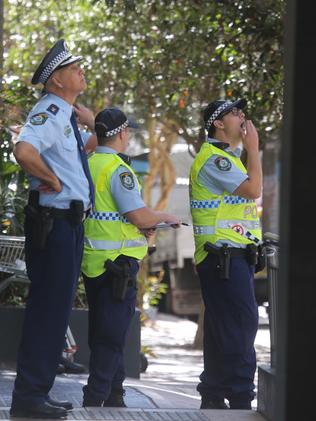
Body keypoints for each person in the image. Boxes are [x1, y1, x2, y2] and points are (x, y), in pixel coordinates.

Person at [10, 39, 96, 419]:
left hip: (68, 224)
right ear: (56, 80)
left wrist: (86, 117)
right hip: (55, 223)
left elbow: (85, 151)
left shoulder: (64, 114)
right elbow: (24, 151)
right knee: (48, 312)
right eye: (74, 68)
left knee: (56, 311)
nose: (81, 71)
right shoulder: (49, 111)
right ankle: (28, 399)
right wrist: (53, 182)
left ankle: (36, 394)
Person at [81, 107, 181, 407]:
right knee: (111, 336)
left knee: (106, 330)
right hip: (118, 265)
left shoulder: (89, 163)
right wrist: (162, 216)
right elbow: (137, 215)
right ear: (122, 134)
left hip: (94, 262)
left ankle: (115, 396)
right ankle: (95, 400)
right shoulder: (118, 169)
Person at [189, 99, 262, 410]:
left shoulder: (227, 159)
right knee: (242, 324)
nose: (241, 117)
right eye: (234, 113)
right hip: (224, 259)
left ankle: (214, 393)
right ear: (218, 123)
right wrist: (254, 147)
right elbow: (254, 189)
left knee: (223, 328)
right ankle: (241, 395)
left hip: (229, 258)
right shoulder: (215, 160)